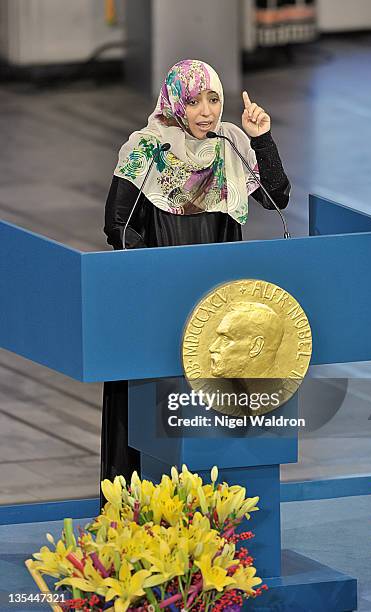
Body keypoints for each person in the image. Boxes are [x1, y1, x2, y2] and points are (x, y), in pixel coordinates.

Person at [101, 59, 290, 506]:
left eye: (213, 99)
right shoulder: (146, 149)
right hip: (160, 302)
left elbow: (276, 196)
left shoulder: (231, 144)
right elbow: (118, 225)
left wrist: (262, 137)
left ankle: (214, 506)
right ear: (175, 102)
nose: (207, 111)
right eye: (195, 100)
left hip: (218, 305)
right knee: (157, 409)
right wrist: (156, 278)